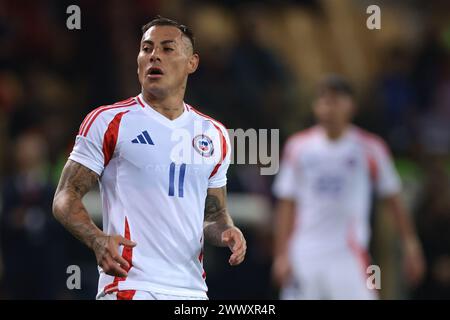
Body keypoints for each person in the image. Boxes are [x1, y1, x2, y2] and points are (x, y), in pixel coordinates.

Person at [52, 16, 246, 300]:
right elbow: (64, 197)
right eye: (146, 48)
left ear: (192, 63)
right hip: (131, 286)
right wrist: (97, 239)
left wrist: (227, 231)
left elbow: (213, 214)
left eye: (167, 49)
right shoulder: (109, 121)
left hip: (191, 290)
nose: (154, 55)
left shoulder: (214, 133)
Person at [272, 74, 425, 299]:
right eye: (323, 101)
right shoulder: (298, 147)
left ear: (350, 106)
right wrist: (281, 254)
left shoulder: (370, 148)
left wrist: (411, 244)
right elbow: (286, 203)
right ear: (315, 106)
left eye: (336, 101)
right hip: (304, 253)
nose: (329, 108)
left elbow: (393, 199)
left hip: (348, 256)